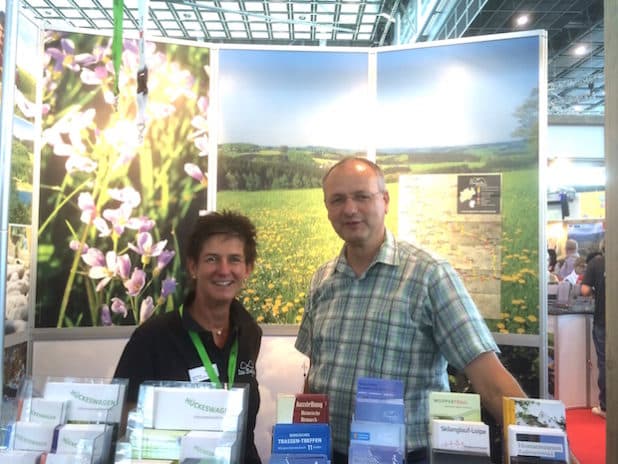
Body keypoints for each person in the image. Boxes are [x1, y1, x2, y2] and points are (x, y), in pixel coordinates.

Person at [295, 157, 540, 464]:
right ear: (328, 209)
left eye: (361, 196)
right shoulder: (322, 279)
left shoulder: (430, 274)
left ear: (385, 201)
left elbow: (489, 378)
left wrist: (541, 440)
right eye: (338, 199)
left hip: (407, 456)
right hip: (329, 453)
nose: (350, 209)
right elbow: (315, 373)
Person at [114, 210, 262, 463]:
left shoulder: (249, 332)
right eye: (212, 259)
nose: (224, 270)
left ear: (247, 269)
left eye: (234, 259)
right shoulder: (152, 338)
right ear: (193, 266)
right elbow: (122, 426)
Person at [581, 241, 606, 419]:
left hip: (603, 319)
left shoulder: (596, 263)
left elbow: (584, 290)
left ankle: (606, 407)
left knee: (606, 363)